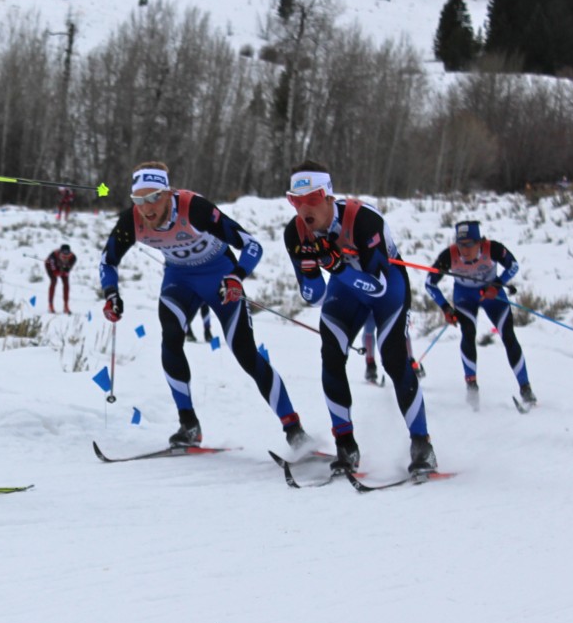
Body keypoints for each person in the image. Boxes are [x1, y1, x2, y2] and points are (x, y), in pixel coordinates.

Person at [99, 160, 308, 450]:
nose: (146, 208)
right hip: (179, 281)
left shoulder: (193, 208)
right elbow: (108, 260)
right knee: (170, 339)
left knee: (246, 354)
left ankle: (294, 430)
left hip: (219, 277)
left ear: (168, 193)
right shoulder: (130, 221)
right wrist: (111, 294)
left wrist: (237, 277)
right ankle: (189, 426)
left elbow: (251, 245)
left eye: (153, 198)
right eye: (139, 200)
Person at [280, 160, 436, 474]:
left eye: (311, 200)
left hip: (387, 287)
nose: (303, 209)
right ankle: (346, 446)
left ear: (327, 197)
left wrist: (336, 267)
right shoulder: (295, 233)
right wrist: (310, 271)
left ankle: (422, 445)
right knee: (331, 356)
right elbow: (313, 296)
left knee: (394, 360)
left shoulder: (363, 219)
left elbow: (377, 287)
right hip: (346, 290)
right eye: (296, 201)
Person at [424, 220, 535, 409]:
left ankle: (525, 389)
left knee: (508, 335)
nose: (464, 250)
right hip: (465, 297)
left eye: (469, 245)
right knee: (468, 333)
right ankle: (472, 387)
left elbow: (513, 266)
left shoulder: (492, 249)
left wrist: (497, 283)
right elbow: (429, 282)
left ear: (479, 242)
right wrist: (445, 308)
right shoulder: (450, 255)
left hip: (492, 294)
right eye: (460, 245)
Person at [44, 243, 78, 313]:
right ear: (60, 252)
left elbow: (69, 268)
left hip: (63, 267)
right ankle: (50, 305)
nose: (65, 256)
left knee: (66, 284)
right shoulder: (53, 255)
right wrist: (56, 271)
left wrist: (66, 271)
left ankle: (66, 306)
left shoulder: (73, 257)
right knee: (54, 281)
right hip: (50, 266)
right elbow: (52, 267)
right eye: (63, 255)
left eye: (67, 255)